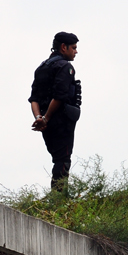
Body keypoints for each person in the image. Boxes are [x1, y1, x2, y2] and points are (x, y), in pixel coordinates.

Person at [29, 31, 82, 191]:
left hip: (47, 123)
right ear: (63, 47)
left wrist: (39, 117)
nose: (76, 51)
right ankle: (59, 196)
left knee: (57, 158)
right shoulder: (65, 66)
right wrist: (46, 118)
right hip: (60, 120)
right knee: (63, 159)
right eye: (74, 48)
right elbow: (60, 96)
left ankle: (58, 196)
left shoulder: (41, 68)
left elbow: (34, 98)